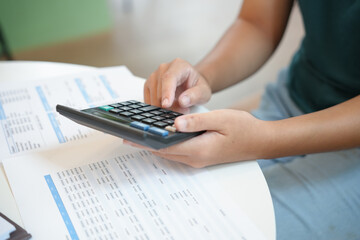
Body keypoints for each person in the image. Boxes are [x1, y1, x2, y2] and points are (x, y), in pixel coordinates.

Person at [124, 0, 360, 239]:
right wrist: (203, 76)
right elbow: (257, 24)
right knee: (166, 192)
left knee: (226, 228)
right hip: (297, 95)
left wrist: (265, 140)